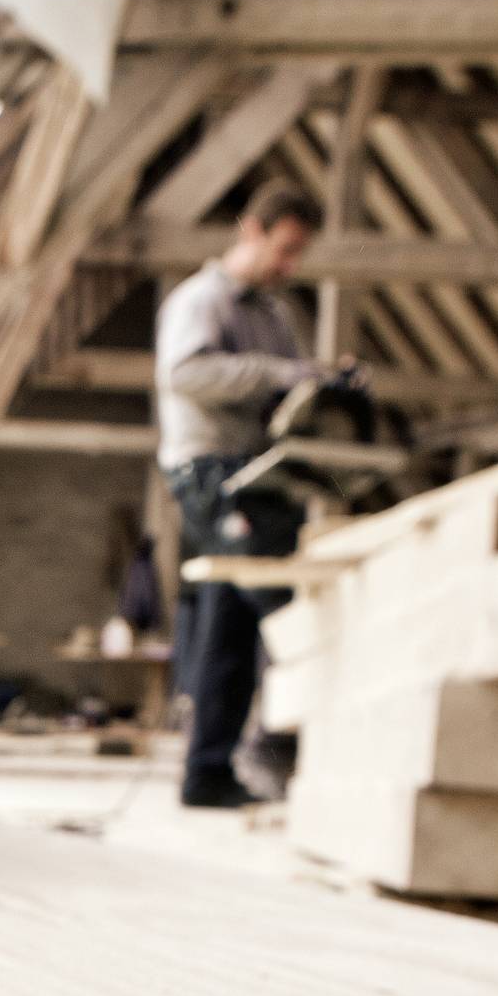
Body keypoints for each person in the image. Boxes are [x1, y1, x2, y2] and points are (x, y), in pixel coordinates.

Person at [153, 180, 344, 807]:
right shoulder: (202, 301)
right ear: (251, 230)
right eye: (283, 249)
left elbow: (284, 396)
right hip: (213, 474)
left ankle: (207, 774)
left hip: (262, 475)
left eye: (299, 255)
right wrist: (280, 372)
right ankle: (287, 745)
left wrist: (322, 385)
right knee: (284, 612)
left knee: (228, 631)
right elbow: (185, 374)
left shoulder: (274, 316)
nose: (289, 266)